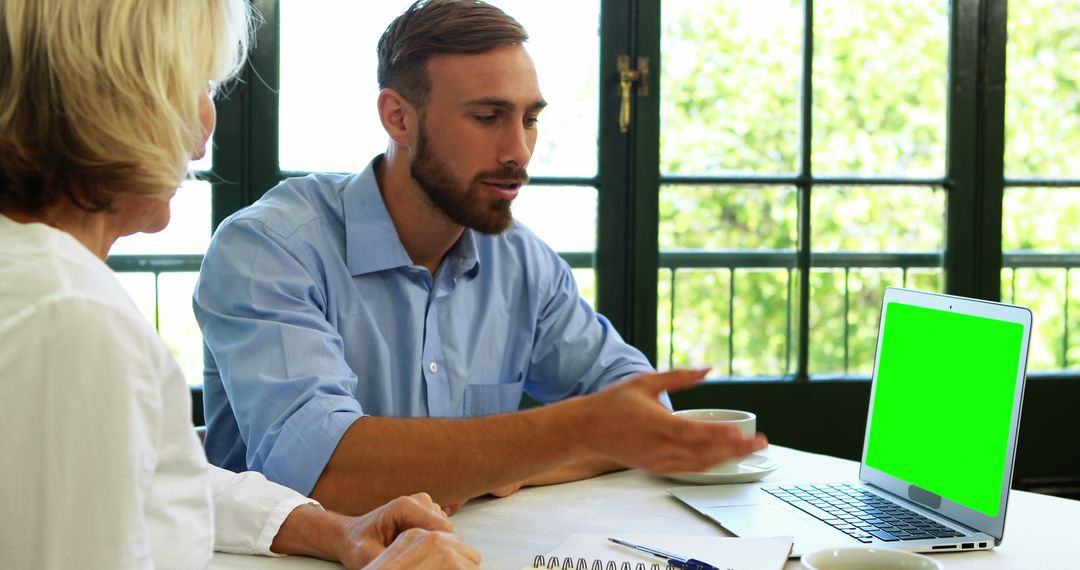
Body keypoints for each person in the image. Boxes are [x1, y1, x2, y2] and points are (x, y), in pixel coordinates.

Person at [194, 0, 768, 516]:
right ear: (398, 118)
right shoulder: (269, 249)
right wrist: (561, 438)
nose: (518, 151)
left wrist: (503, 469)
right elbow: (327, 475)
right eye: (487, 117)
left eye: (530, 118)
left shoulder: (521, 261)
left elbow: (641, 408)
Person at [0, 0, 481, 568]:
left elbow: (151, 476)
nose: (209, 118)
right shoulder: (70, 316)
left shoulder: (43, 284)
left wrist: (336, 531)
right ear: (118, 96)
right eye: (199, 83)